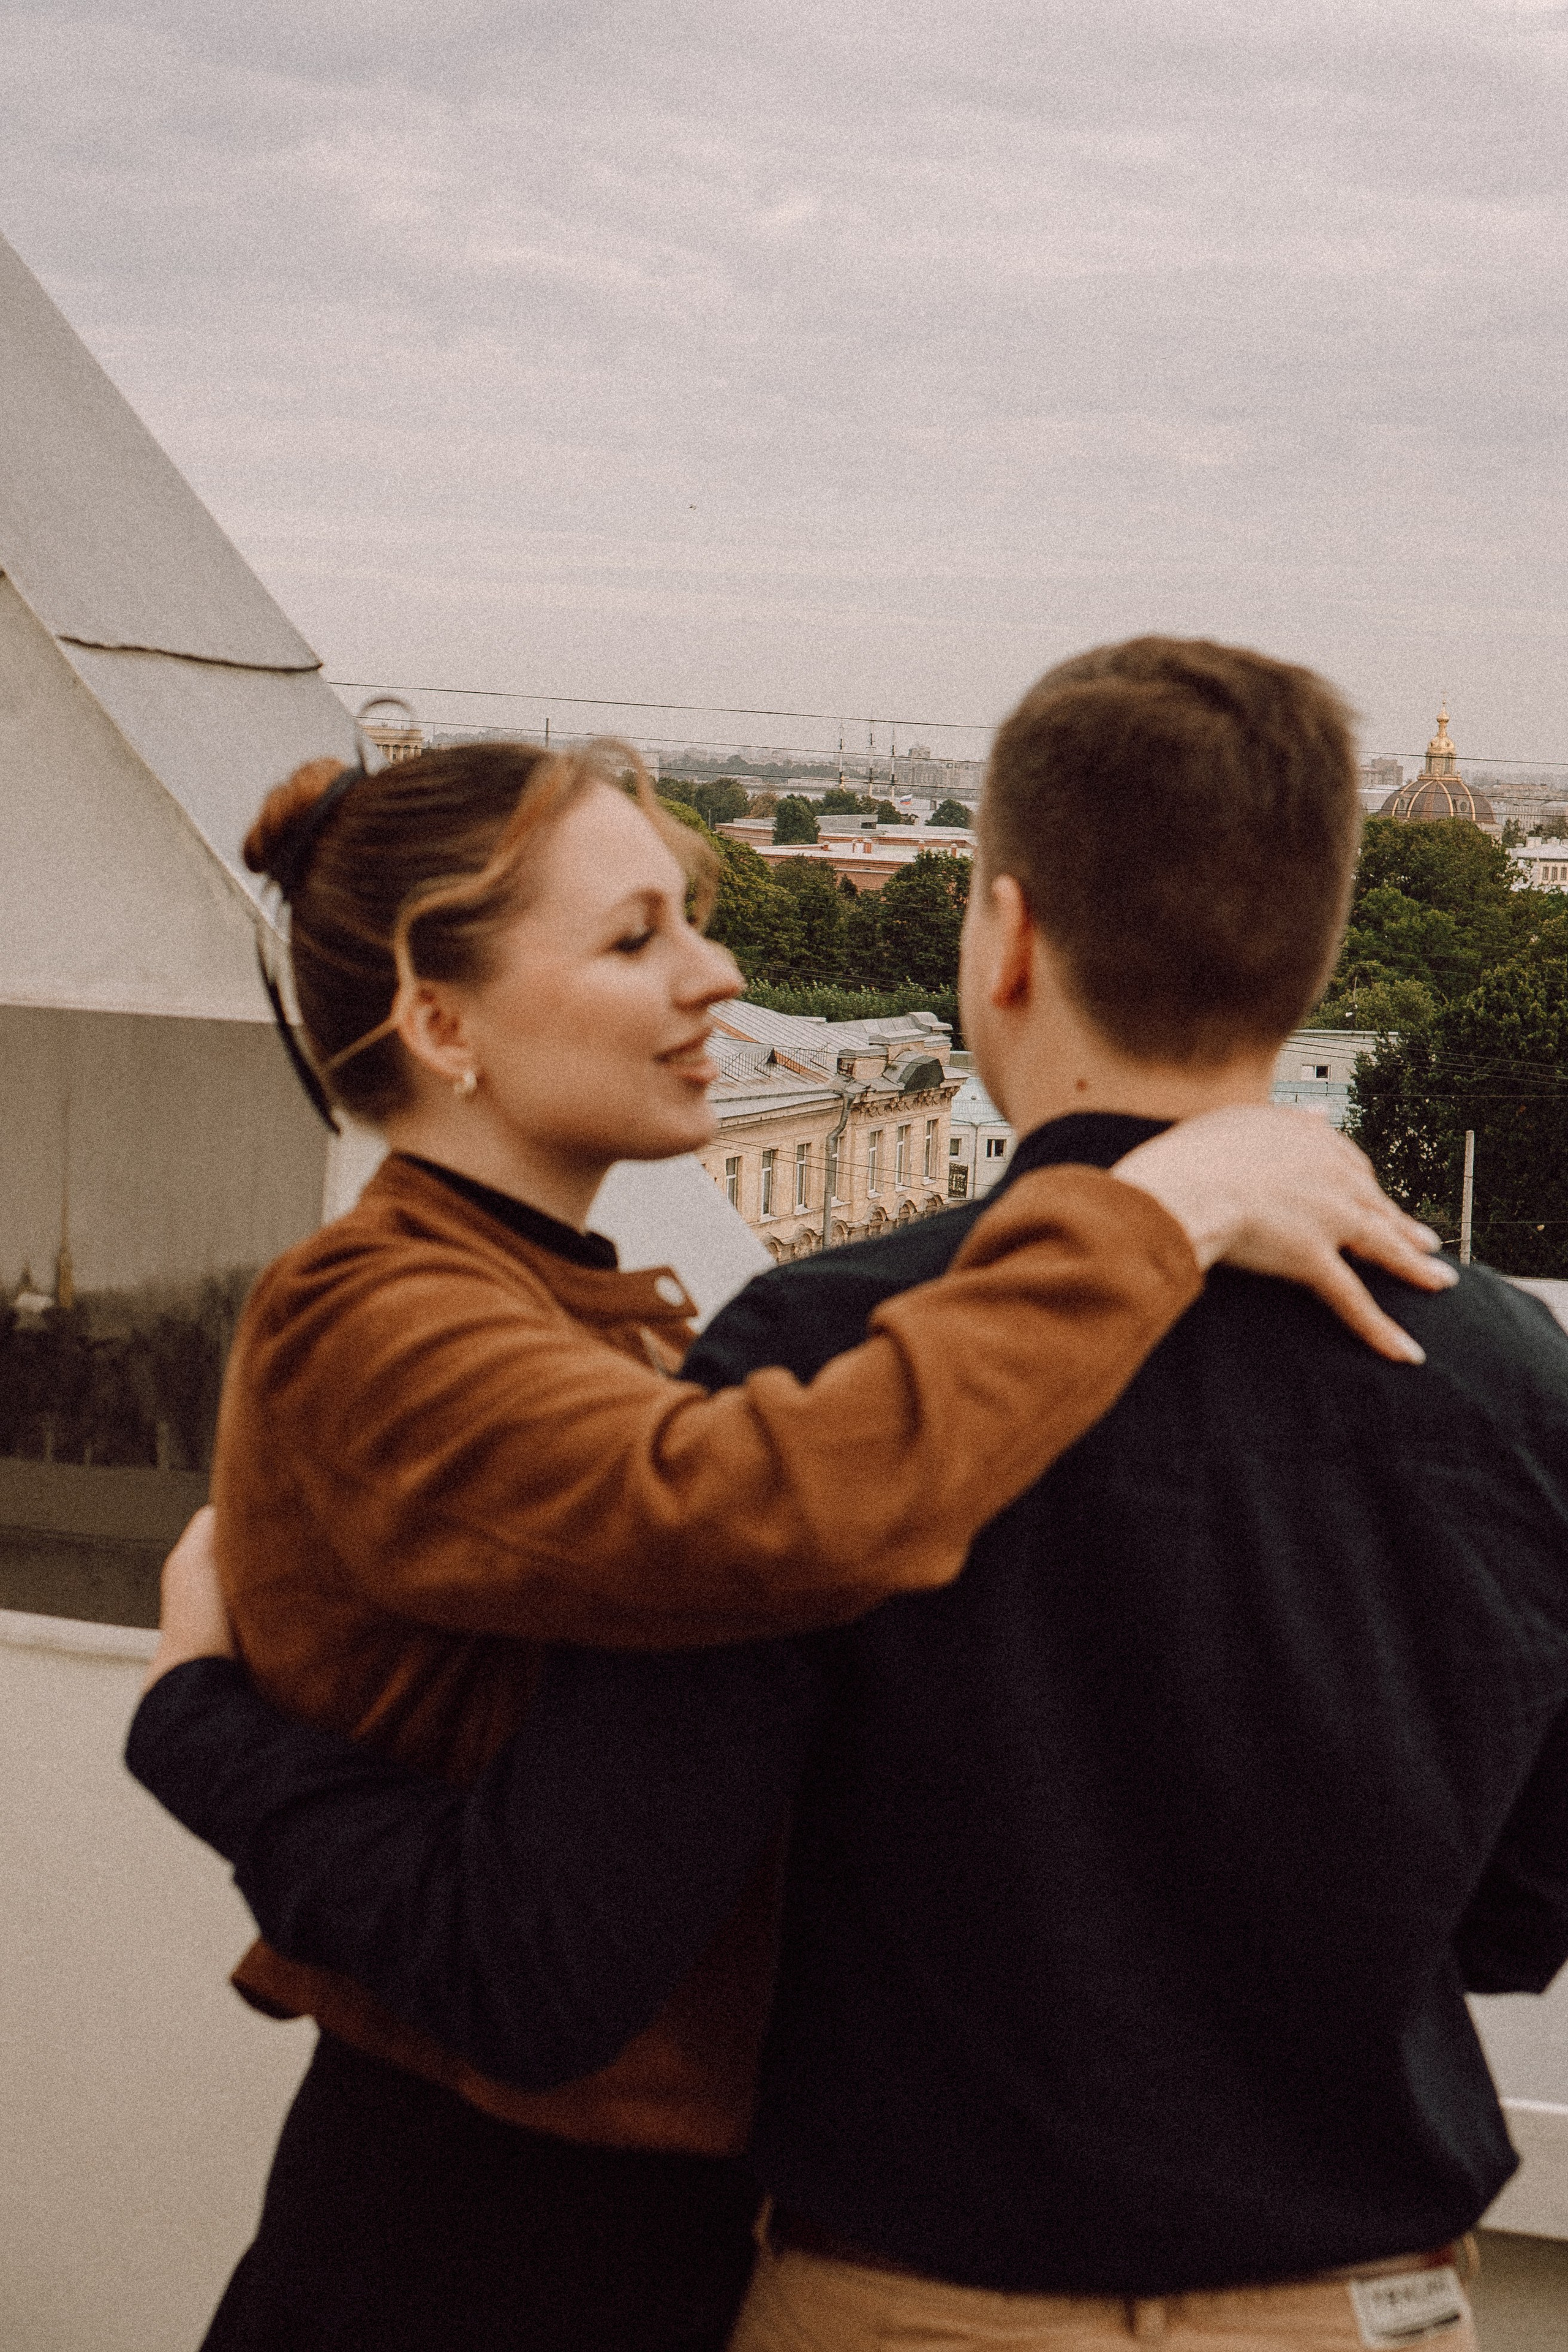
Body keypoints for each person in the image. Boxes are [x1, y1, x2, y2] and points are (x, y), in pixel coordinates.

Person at [128, 654, 1481, 2352]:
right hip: (470, 2251)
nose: (722, 971)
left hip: (598, 2232)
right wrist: (1160, 1211)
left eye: (692, 918)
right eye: (638, 939)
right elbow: (761, 1511)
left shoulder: (563, 1310)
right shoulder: (376, 1317)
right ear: (441, 1019)